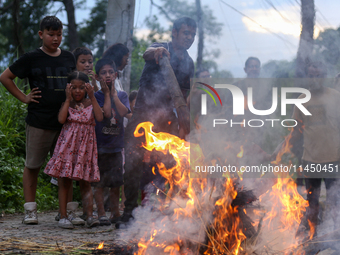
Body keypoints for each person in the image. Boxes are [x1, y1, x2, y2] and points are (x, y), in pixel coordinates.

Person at [116, 17, 196, 228]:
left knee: (168, 165)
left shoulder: (189, 62)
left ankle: (163, 212)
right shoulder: (159, 48)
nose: (189, 38)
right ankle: (129, 211)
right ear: (175, 33)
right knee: (132, 164)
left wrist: (183, 121)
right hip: (142, 115)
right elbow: (147, 52)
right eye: (186, 33)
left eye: (192, 35)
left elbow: (184, 94)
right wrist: (158, 53)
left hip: (168, 119)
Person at [0, 16, 76, 225]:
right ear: (41, 34)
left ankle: (67, 211)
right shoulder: (31, 58)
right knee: (32, 165)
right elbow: (5, 77)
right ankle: (30, 210)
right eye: (51, 34)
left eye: (59, 34)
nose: (56, 39)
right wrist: (24, 97)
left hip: (66, 123)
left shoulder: (69, 57)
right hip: (39, 121)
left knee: (65, 168)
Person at [274, 61, 340, 240]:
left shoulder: (336, 96)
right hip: (310, 160)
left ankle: (336, 237)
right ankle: (313, 237)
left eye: (318, 75)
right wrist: (280, 152)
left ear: (325, 76)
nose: (315, 79)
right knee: (312, 203)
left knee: (335, 202)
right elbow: (295, 131)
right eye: (312, 75)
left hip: (333, 159)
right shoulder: (301, 100)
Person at [44, 71, 110, 229]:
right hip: (67, 147)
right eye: (74, 87)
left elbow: (100, 118)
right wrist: (67, 99)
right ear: (68, 88)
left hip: (85, 149)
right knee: (65, 181)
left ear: (87, 88)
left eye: (82, 87)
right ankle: (64, 216)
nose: (78, 91)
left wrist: (93, 96)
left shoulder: (90, 103)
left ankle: (89, 215)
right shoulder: (67, 103)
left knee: (85, 182)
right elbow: (61, 119)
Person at [92, 58, 130, 225]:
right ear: (98, 77)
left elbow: (123, 112)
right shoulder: (96, 96)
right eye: (103, 73)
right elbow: (105, 114)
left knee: (115, 182)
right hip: (99, 146)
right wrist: (107, 94)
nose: (107, 75)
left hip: (116, 146)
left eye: (110, 72)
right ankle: (101, 213)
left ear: (115, 75)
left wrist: (114, 95)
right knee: (99, 183)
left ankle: (115, 212)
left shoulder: (122, 95)